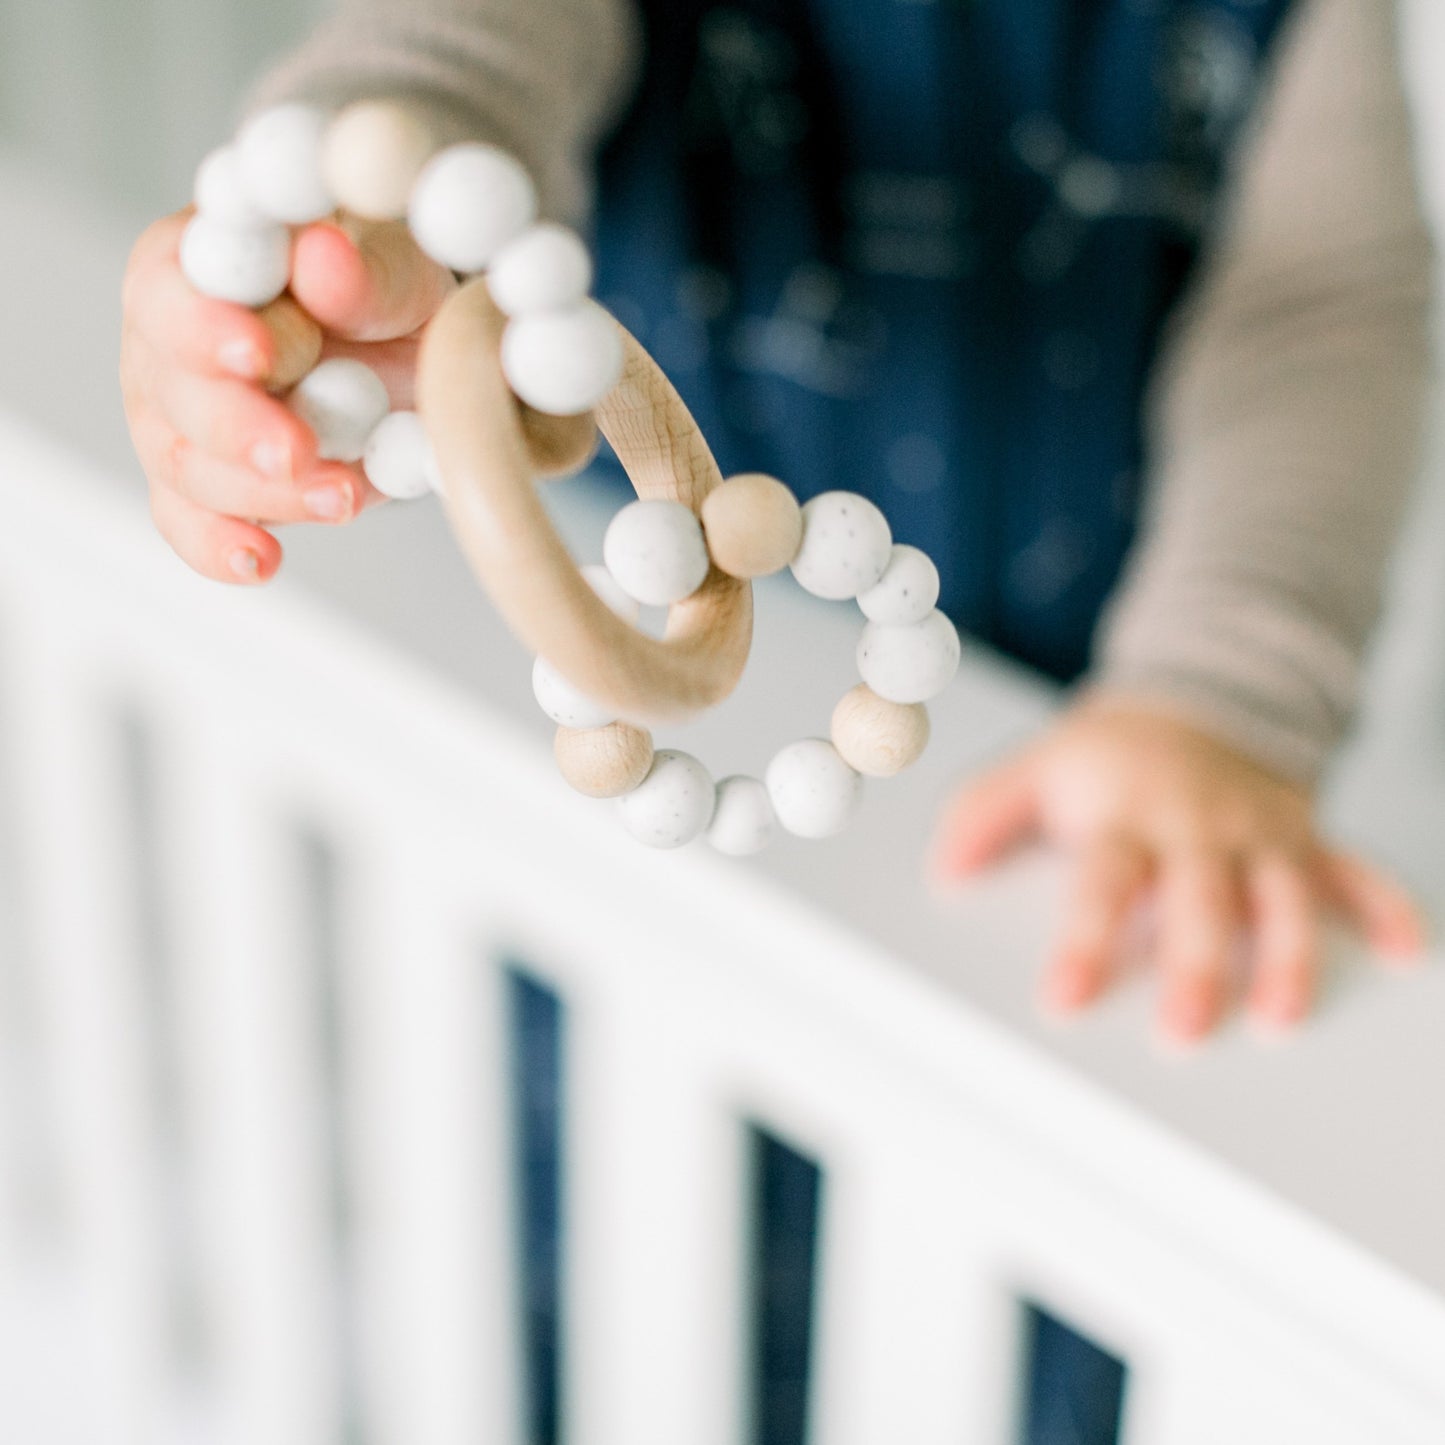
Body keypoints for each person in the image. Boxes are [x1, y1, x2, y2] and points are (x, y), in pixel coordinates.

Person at [120, 0, 1431, 1050]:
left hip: (1044, 739)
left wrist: (1215, 692)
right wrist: (338, 231)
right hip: (606, 726)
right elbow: (445, 56)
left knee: (999, 1131)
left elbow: (1316, 310)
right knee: (596, 1156)